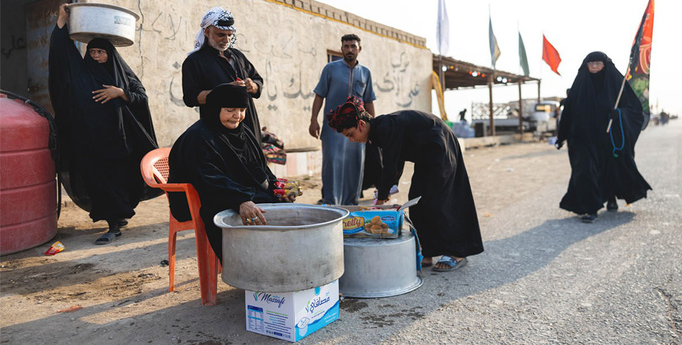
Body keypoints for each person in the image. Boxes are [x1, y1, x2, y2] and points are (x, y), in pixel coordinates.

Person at [327, 97, 484, 272]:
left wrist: (380, 199)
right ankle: (428, 251)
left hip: (441, 147)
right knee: (417, 200)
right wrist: (389, 188)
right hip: (425, 156)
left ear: (361, 125)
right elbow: (398, 157)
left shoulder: (385, 126)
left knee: (438, 201)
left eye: (350, 134)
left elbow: (390, 164)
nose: (351, 140)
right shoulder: (379, 131)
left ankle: (456, 253)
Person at [49, 4, 161, 244]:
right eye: (92, 52)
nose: (96, 57)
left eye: (101, 52)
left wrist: (120, 93)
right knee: (100, 181)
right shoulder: (81, 72)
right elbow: (62, 56)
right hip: (90, 140)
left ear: (110, 54)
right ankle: (113, 224)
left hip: (120, 141)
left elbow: (141, 97)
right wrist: (61, 22)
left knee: (120, 180)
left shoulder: (123, 75)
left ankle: (116, 220)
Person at [168, 84, 294, 262]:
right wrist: (240, 199)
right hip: (206, 198)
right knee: (255, 212)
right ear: (214, 109)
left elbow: (258, 166)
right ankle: (249, 266)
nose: (238, 115)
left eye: (242, 109)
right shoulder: (198, 138)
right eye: (230, 110)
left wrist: (276, 187)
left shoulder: (242, 131)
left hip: (237, 191)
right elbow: (207, 178)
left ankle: (277, 262)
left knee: (278, 206)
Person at [555, 51, 651, 223]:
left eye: (598, 64)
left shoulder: (617, 83)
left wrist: (619, 114)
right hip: (583, 137)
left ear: (605, 65)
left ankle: (611, 196)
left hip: (609, 136)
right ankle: (590, 208)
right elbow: (569, 111)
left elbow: (634, 109)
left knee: (611, 168)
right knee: (585, 171)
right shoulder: (580, 84)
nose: (594, 67)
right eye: (591, 64)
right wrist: (561, 136)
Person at [309, 34, 376, 205]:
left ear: (359, 49)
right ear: (341, 49)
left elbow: (368, 101)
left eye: (353, 46)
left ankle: (351, 204)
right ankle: (331, 203)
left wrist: (373, 126)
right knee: (332, 164)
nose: (350, 50)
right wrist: (313, 120)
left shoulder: (365, 73)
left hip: (359, 129)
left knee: (355, 166)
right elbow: (319, 95)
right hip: (333, 129)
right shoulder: (330, 69)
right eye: (346, 46)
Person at [182, 6, 264, 143]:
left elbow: (257, 80)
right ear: (207, 32)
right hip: (218, 133)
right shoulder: (195, 61)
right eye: (221, 35)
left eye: (229, 35)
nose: (226, 40)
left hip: (248, 127)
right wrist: (223, 92)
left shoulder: (237, 56)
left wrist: (253, 86)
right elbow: (191, 97)